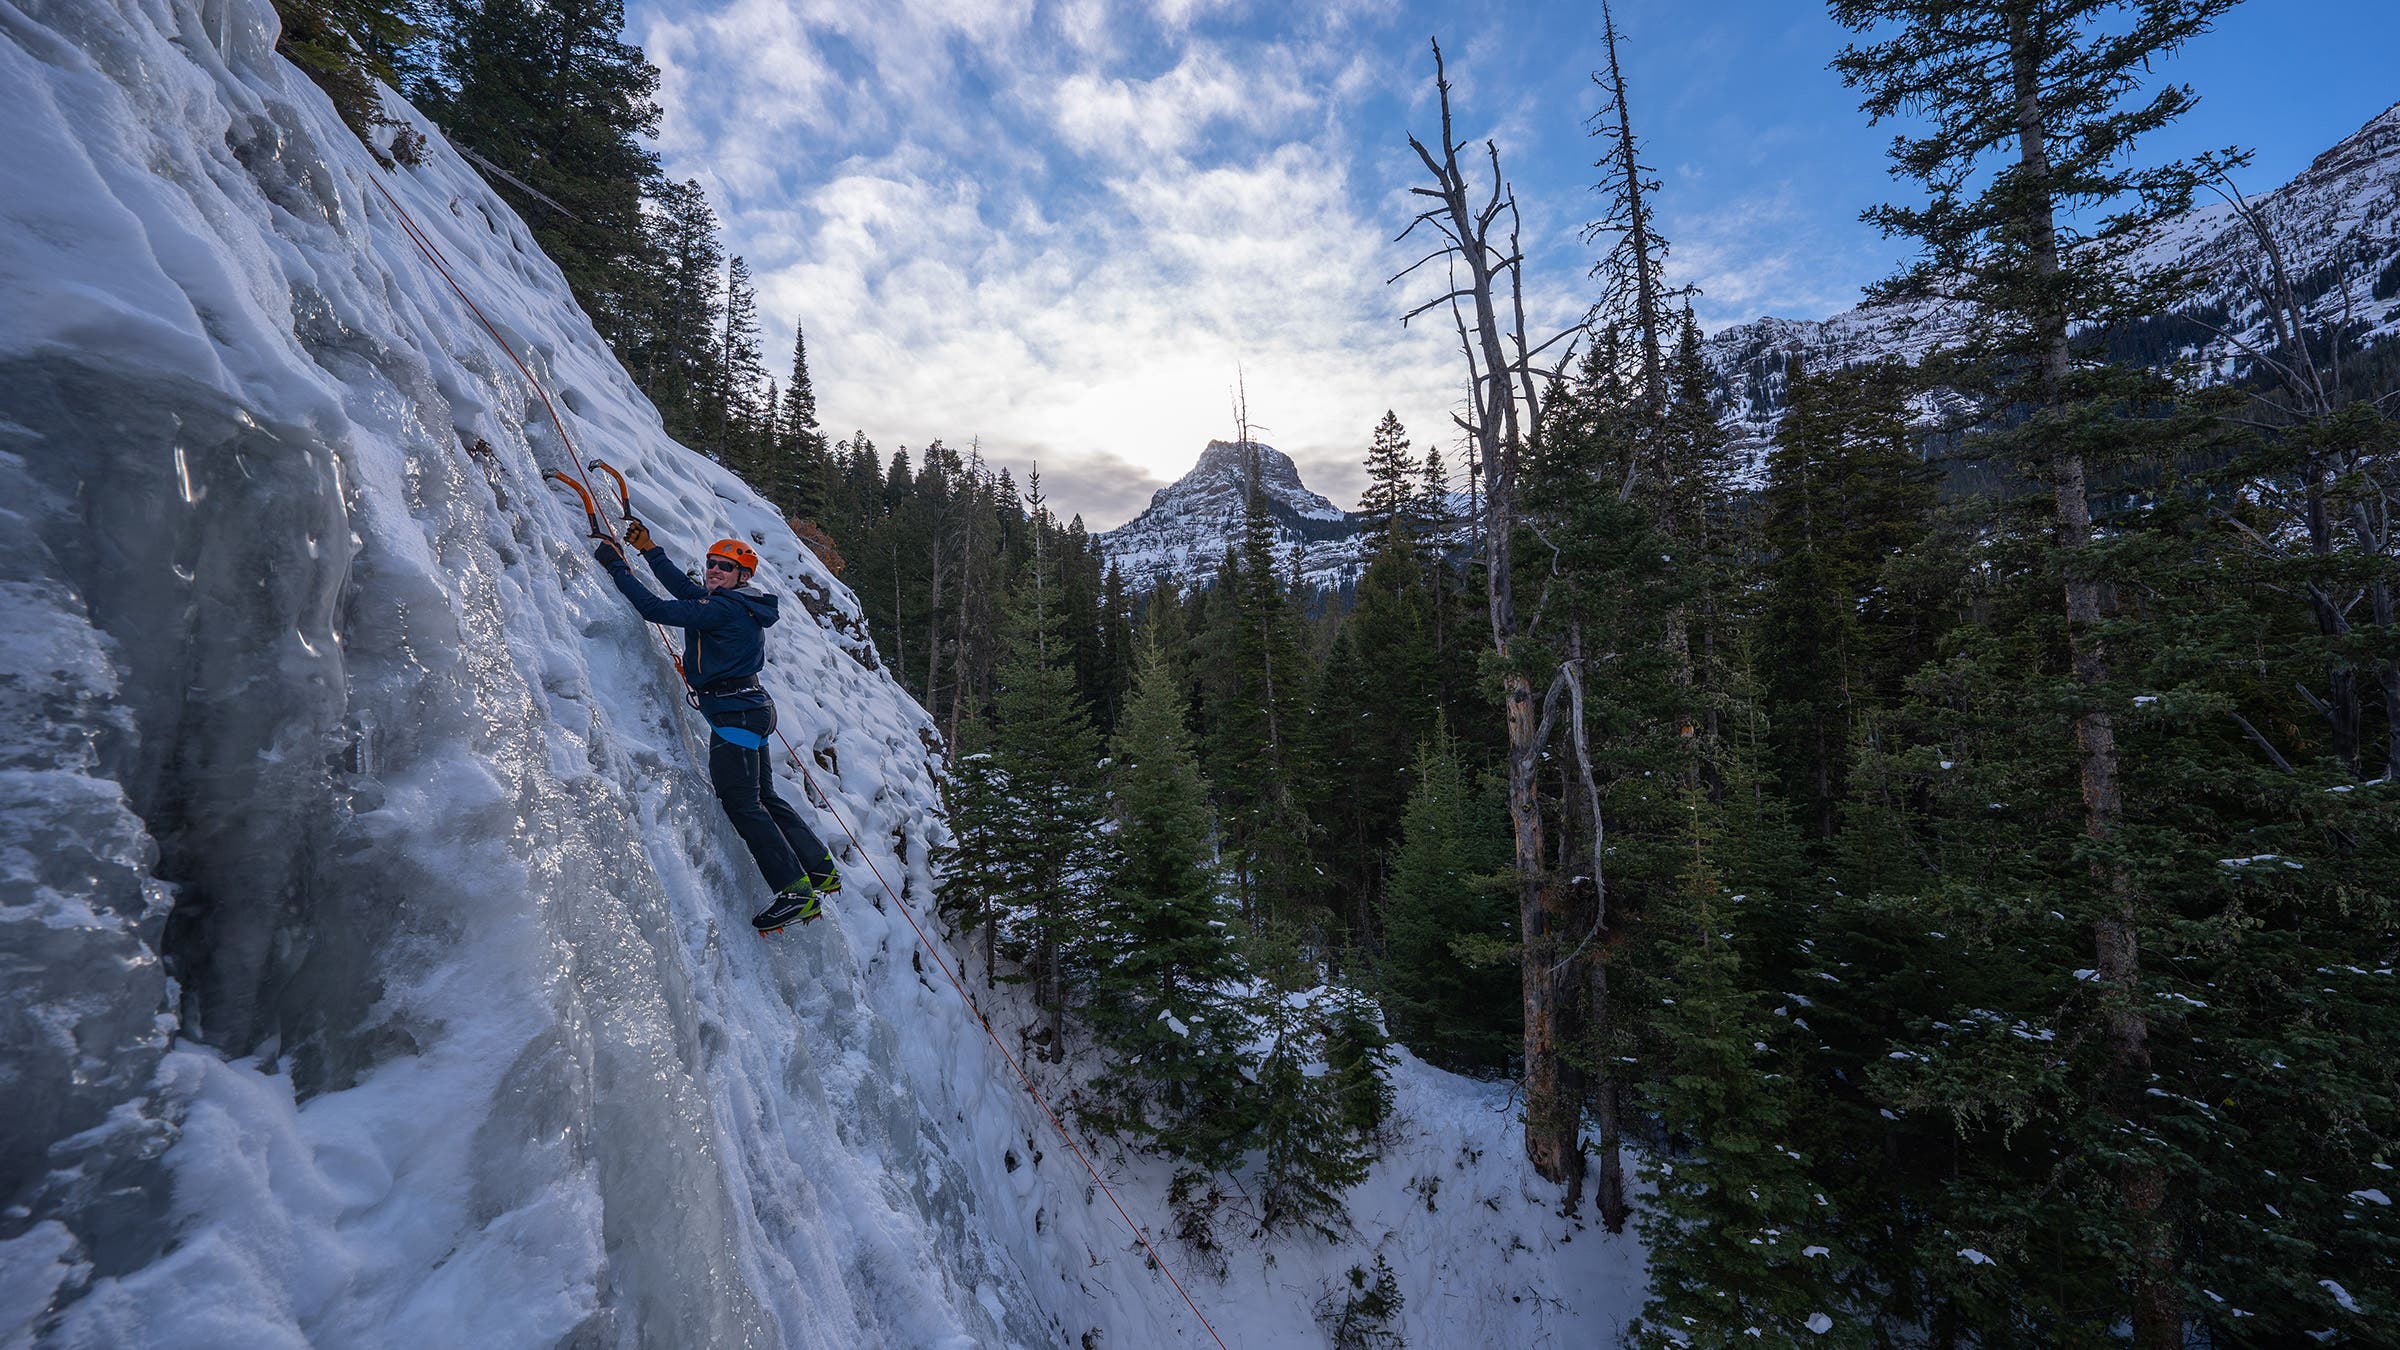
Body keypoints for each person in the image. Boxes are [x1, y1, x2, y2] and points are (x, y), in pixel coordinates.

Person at [594, 522, 838, 930]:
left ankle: (796, 892)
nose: (713, 572)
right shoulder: (736, 603)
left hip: (734, 714)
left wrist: (617, 567)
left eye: (724, 567)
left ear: (743, 576)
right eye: (711, 565)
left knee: (743, 803)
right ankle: (819, 868)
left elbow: (657, 609)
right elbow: (688, 595)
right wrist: (651, 551)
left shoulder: (724, 607)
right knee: (764, 795)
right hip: (749, 708)